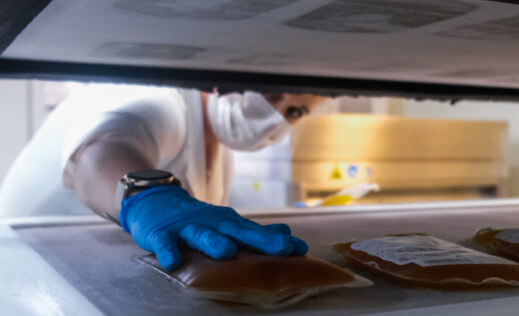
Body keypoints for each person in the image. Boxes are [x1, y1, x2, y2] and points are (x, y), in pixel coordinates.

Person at [0, 84, 324, 270]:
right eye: (270, 93)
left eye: (294, 112)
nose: (274, 116)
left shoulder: (221, 152)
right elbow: (99, 152)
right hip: (22, 276)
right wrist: (149, 197)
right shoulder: (158, 100)